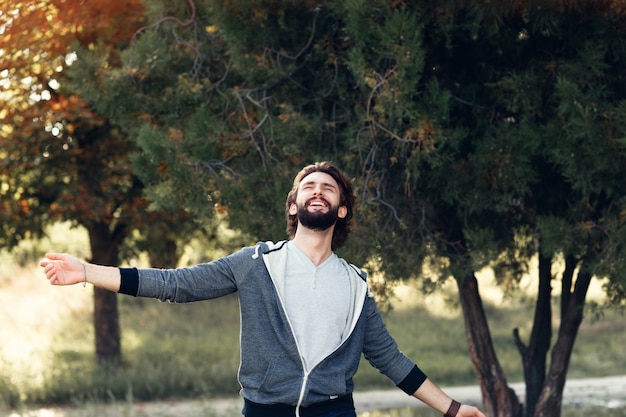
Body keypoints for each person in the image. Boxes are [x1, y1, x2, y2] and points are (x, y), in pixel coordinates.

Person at [41, 161, 486, 417]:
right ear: (293, 206)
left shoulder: (355, 285)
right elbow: (176, 285)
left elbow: (390, 359)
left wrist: (452, 409)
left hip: (334, 411)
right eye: (307, 186)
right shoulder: (255, 264)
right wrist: (87, 271)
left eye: (328, 188)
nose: (318, 191)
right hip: (263, 412)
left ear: (341, 209)